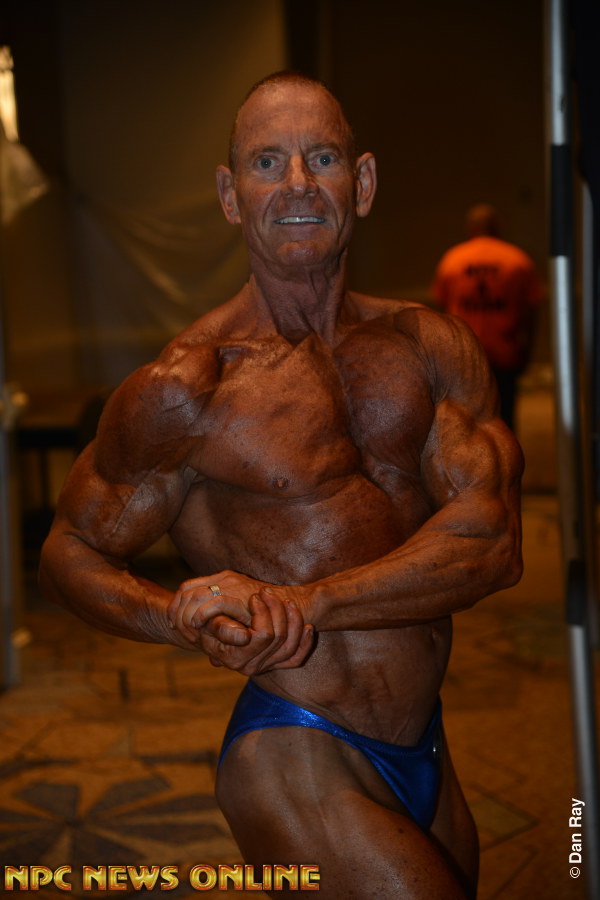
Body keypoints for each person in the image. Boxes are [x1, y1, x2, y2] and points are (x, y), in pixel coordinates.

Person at [40, 72, 524, 899]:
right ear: (231, 196)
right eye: (268, 162)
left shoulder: (430, 346)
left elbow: (494, 545)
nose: (297, 183)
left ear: (361, 183)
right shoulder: (188, 389)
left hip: (424, 740)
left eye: (321, 158)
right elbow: (69, 549)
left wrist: (312, 603)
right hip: (297, 745)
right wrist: (174, 619)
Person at [432, 204, 541, 431]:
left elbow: (441, 311)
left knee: (466, 422)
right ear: (497, 227)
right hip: (504, 353)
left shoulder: (453, 260)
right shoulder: (517, 260)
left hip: (464, 356)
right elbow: (530, 311)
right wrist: (526, 350)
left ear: (471, 228)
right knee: (504, 421)